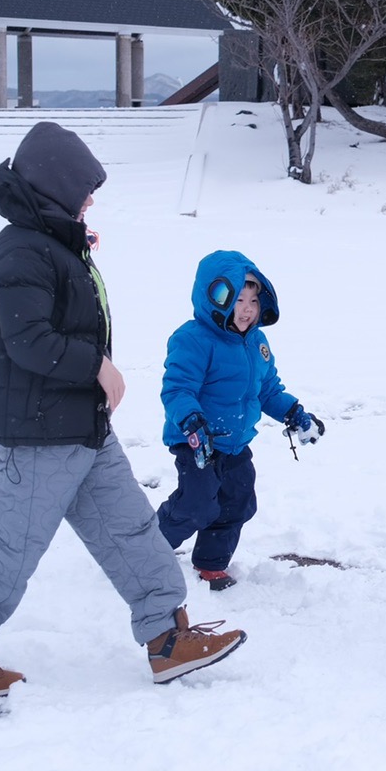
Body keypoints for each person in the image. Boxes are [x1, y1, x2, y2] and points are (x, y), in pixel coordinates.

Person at [0, 121, 246, 697]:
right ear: (54, 187)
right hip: (41, 430)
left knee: (133, 531)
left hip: (82, 425)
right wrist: (97, 365)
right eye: (84, 187)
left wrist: (70, 247)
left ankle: (168, 639)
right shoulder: (21, 251)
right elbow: (30, 341)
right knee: (11, 548)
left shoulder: (46, 243)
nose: (91, 198)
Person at [155, 251, 322, 591]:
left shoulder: (257, 343)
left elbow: (268, 390)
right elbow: (177, 388)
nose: (247, 308)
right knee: (197, 504)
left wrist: (294, 413)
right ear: (214, 297)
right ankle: (148, 548)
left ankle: (211, 564)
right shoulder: (193, 339)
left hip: (235, 443)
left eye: (254, 300)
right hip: (196, 441)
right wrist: (191, 420)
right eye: (238, 299)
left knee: (238, 501)